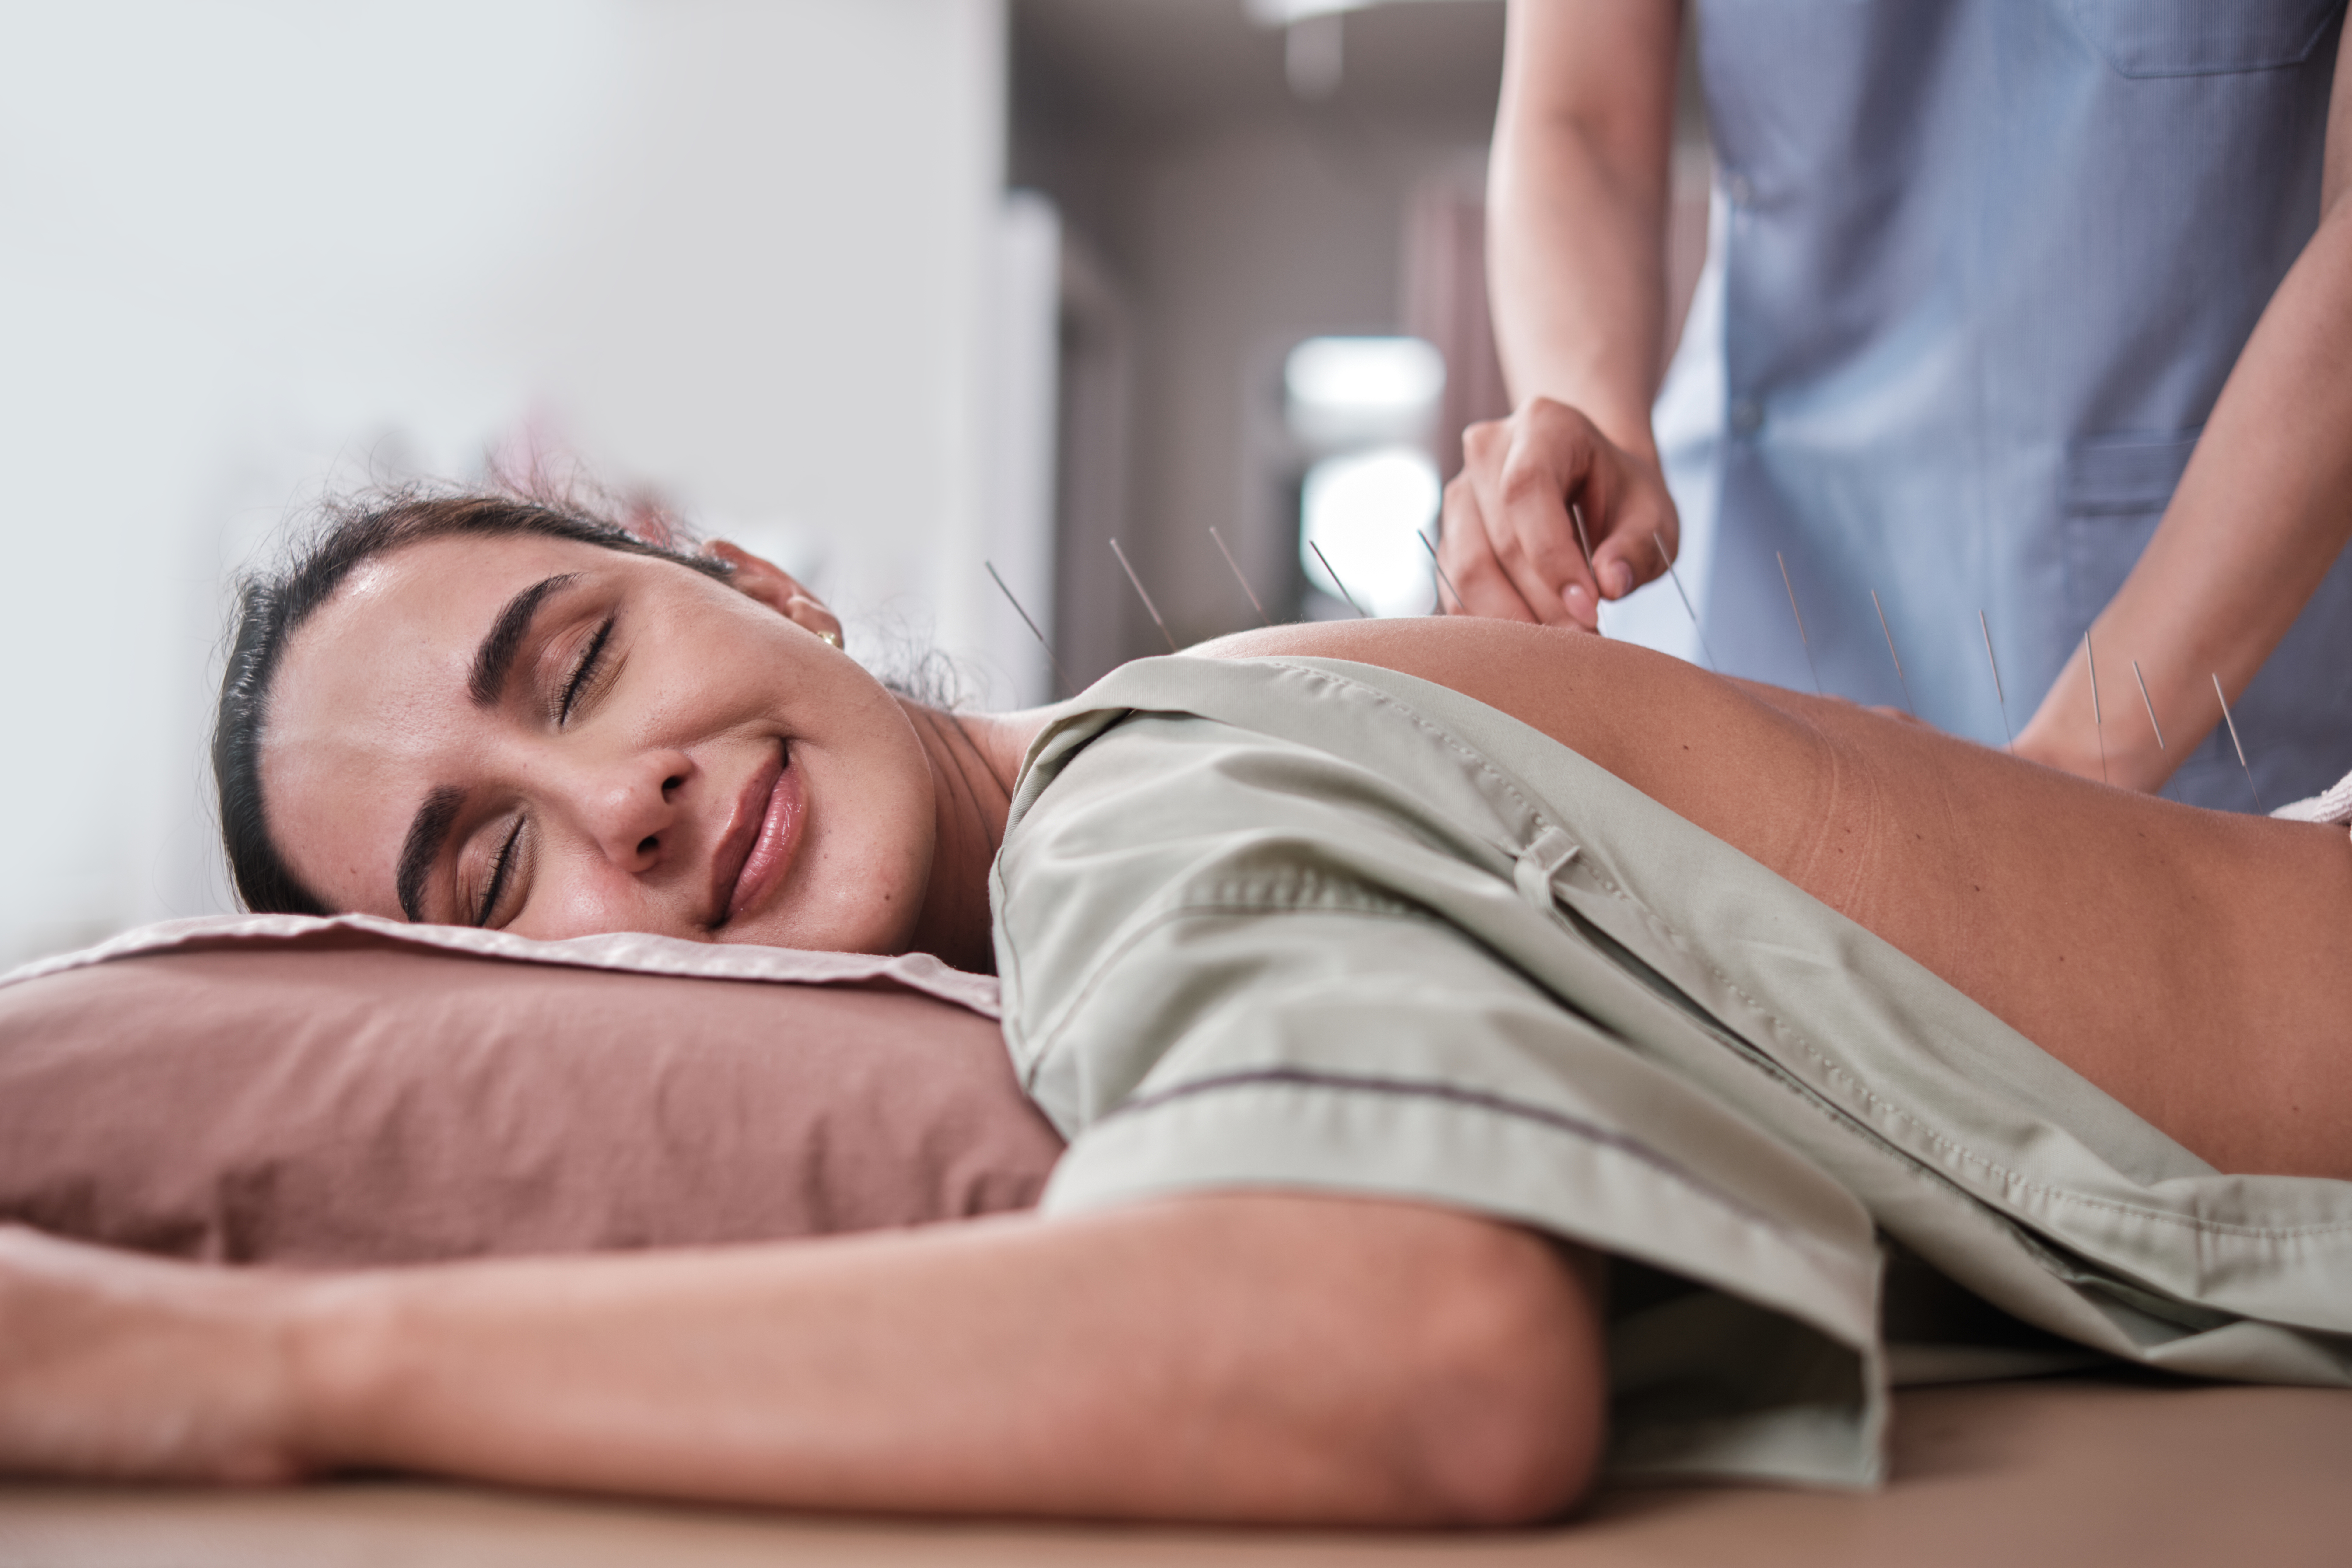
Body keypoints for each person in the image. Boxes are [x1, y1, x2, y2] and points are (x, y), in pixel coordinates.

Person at [3, 488, 2349, 1523]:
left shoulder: (1135, 804)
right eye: (490, 867)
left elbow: (1424, 1345)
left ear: (759, 582)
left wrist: (247, 1364)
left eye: (586, 662)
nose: (617, 807)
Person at [1442, 0, 2352, 811]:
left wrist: (2079, 758)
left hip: (2198, 642)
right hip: (1747, 575)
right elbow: (1583, 111)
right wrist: (1597, 415)